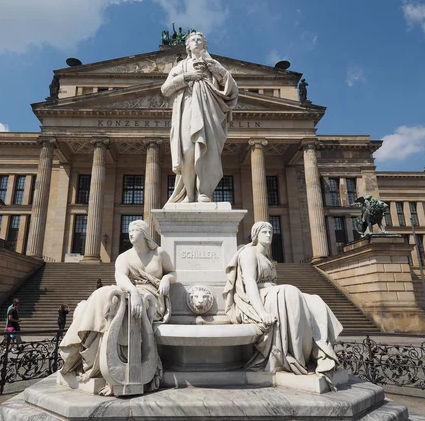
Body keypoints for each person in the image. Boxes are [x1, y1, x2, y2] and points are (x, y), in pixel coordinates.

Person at [59, 219, 177, 393]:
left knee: (125, 307)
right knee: (105, 296)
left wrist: (167, 278)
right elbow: (120, 277)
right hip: (131, 292)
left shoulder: (159, 253)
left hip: (152, 298)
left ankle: (122, 370)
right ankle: (88, 356)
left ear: (144, 233)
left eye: (134, 230)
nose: (130, 233)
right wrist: (133, 292)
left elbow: (172, 272)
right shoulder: (124, 257)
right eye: (128, 230)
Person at [223, 222, 343, 387]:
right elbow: (250, 283)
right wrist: (261, 313)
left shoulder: (266, 257)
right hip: (258, 297)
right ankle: (297, 356)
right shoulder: (248, 253)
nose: (269, 234)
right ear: (255, 235)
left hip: (274, 294)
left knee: (315, 300)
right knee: (290, 291)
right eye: (264, 231)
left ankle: (321, 354)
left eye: (270, 231)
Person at [161, 31, 238, 203]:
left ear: (205, 45)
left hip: (209, 112)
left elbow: (231, 89)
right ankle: (189, 194)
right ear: (187, 46)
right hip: (187, 109)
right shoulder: (180, 66)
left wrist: (217, 70)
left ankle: (204, 192)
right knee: (187, 151)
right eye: (193, 40)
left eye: (199, 40)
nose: (196, 42)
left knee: (207, 152)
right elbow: (165, 89)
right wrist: (187, 77)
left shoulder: (213, 64)